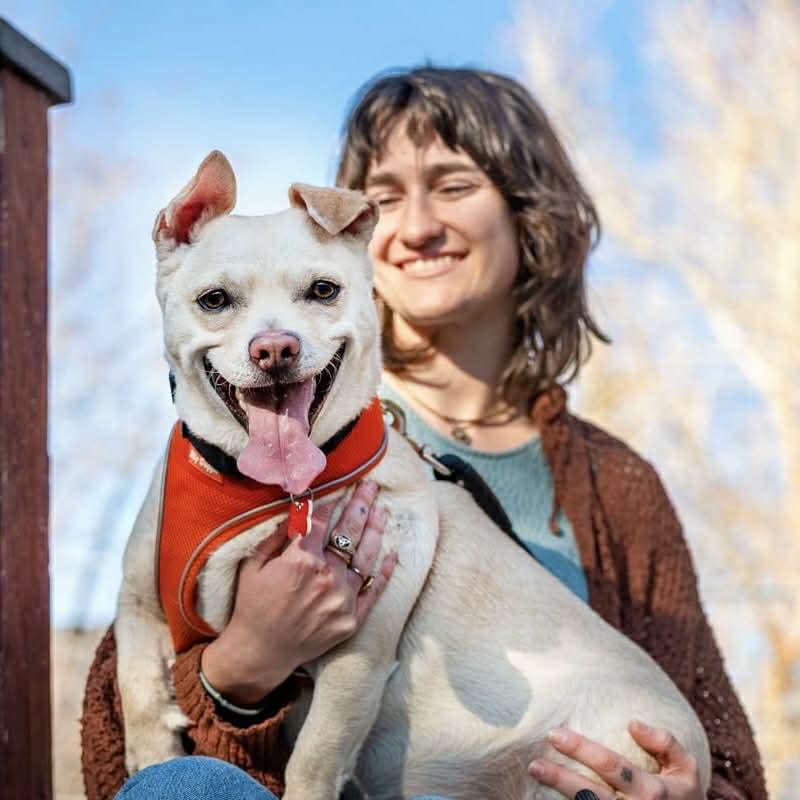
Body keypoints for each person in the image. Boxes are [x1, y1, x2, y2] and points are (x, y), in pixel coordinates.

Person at [81, 66, 767, 800]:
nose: (416, 226)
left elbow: (728, 765)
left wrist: (686, 790)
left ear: (526, 211)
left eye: (452, 186)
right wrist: (244, 666)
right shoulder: (239, 433)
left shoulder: (616, 484)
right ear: (350, 229)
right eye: (385, 197)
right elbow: (123, 750)